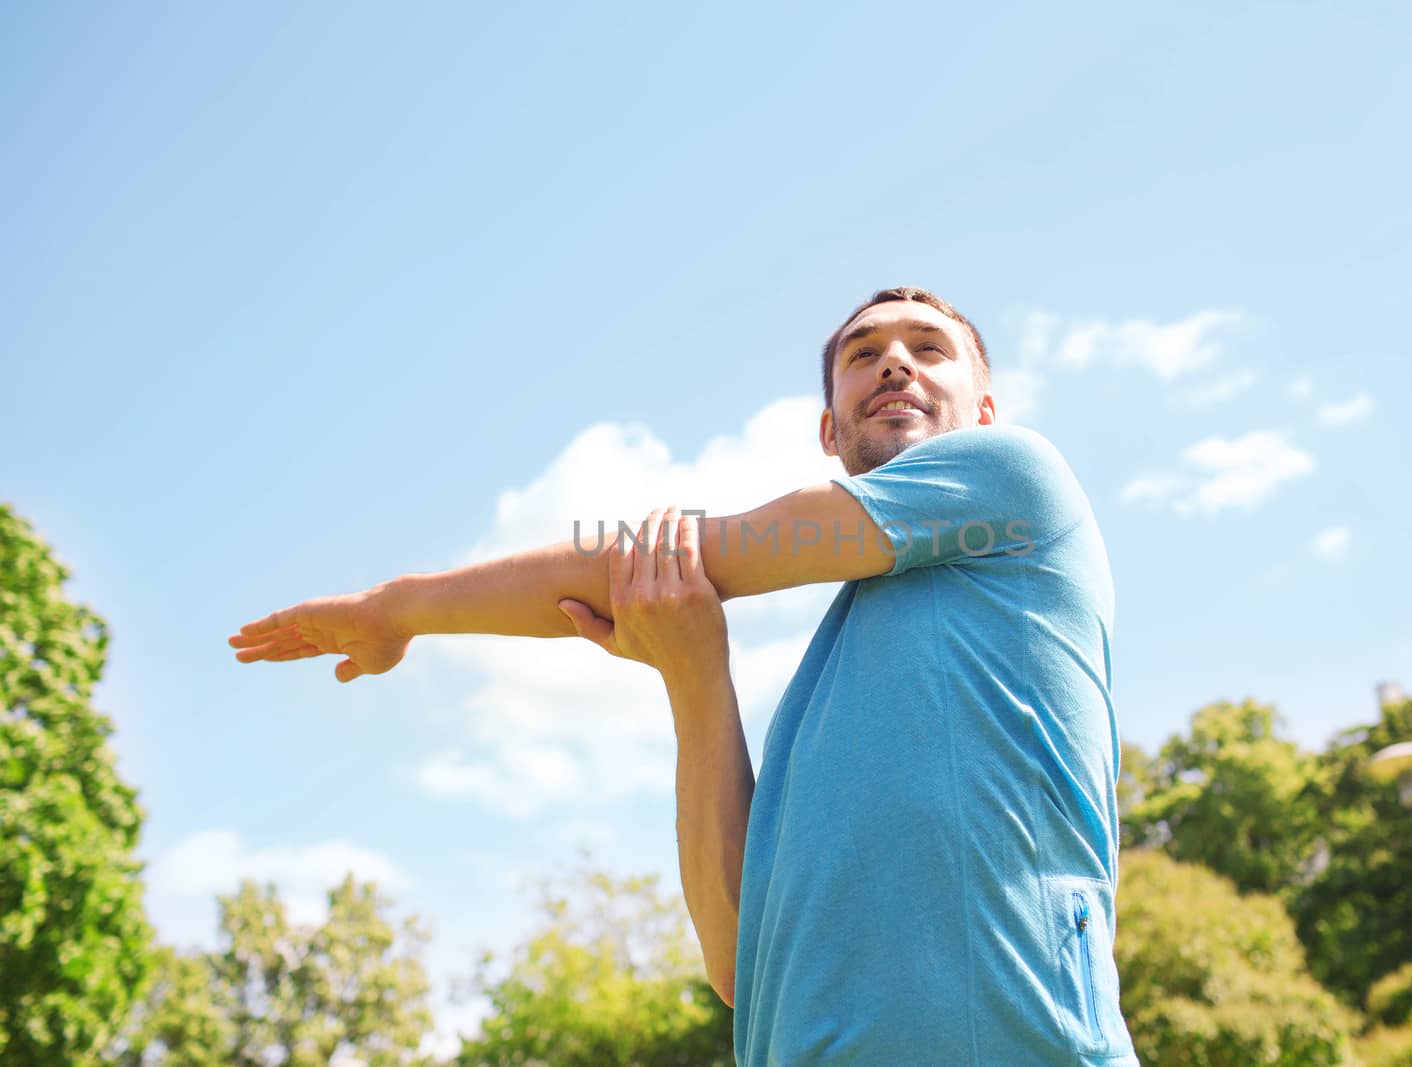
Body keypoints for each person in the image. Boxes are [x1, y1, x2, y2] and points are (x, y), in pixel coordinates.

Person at [229, 286, 1140, 1066]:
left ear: (984, 412)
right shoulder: (816, 707)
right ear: (829, 428)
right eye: (864, 353)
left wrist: (401, 607)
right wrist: (696, 675)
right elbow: (739, 967)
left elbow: (655, 560)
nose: (895, 362)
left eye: (927, 347)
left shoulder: (1014, 480)